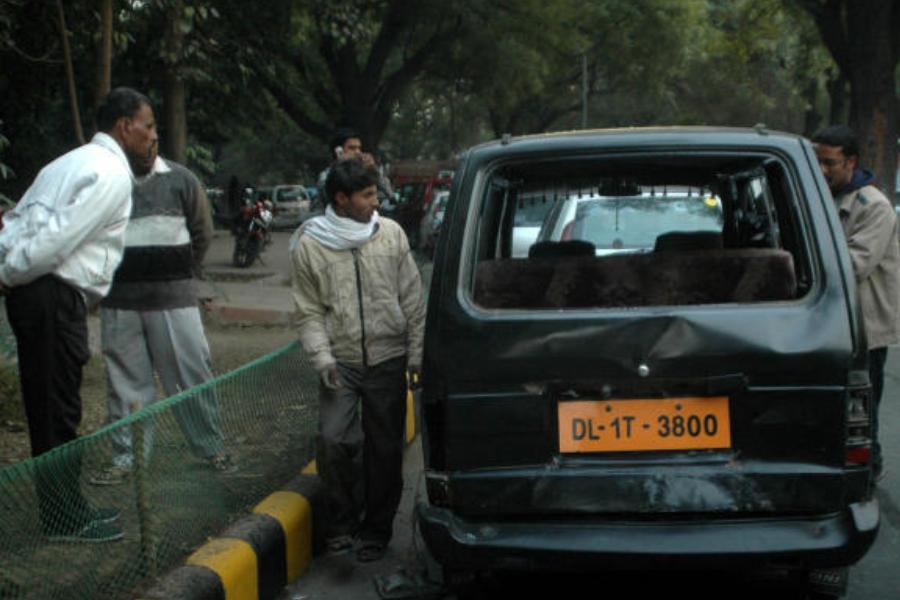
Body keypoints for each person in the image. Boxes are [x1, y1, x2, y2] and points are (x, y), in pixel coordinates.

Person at [0, 86, 156, 543]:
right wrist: (10, 273)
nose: (152, 137)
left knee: (53, 407)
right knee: (57, 410)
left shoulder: (65, 163)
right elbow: (56, 240)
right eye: (148, 126)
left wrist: (8, 271)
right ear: (125, 126)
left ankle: (69, 509)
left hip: (38, 293)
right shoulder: (109, 171)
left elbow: (16, 223)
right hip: (50, 293)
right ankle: (64, 520)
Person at [290, 158, 425, 562]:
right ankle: (342, 524)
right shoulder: (311, 244)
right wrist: (323, 359)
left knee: (385, 449)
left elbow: (413, 301)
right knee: (334, 441)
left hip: (389, 357)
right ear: (341, 199)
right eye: (367, 195)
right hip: (341, 361)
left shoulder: (391, 234)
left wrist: (415, 355)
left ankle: (376, 529)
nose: (375, 201)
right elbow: (309, 311)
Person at [89, 138, 235, 486]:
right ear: (123, 135)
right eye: (143, 133)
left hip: (174, 298)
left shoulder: (181, 179)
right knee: (126, 385)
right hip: (120, 301)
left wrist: (175, 273)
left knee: (190, 373)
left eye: (155, 133)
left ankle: (211, 448)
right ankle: (128, 459)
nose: (150, 142)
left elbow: (202, 233)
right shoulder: (106, 182)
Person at [813, 125, 900, 481]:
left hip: (865, 327)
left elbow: (855, 264)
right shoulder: (825, 196)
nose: (821, 170)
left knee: (861, 413)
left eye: (829, 163)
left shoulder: (874, 207)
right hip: (833, 323)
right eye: (816, 161)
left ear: (851, 162)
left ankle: (867, 476)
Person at [316, 128, 394, 207]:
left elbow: (389, 194)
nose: (358, 152)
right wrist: (340, 165)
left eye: (359, 148)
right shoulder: (325, 175)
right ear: (338, 151)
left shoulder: (364, 173)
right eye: (352, 148)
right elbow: (329, 199)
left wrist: (373, 170)